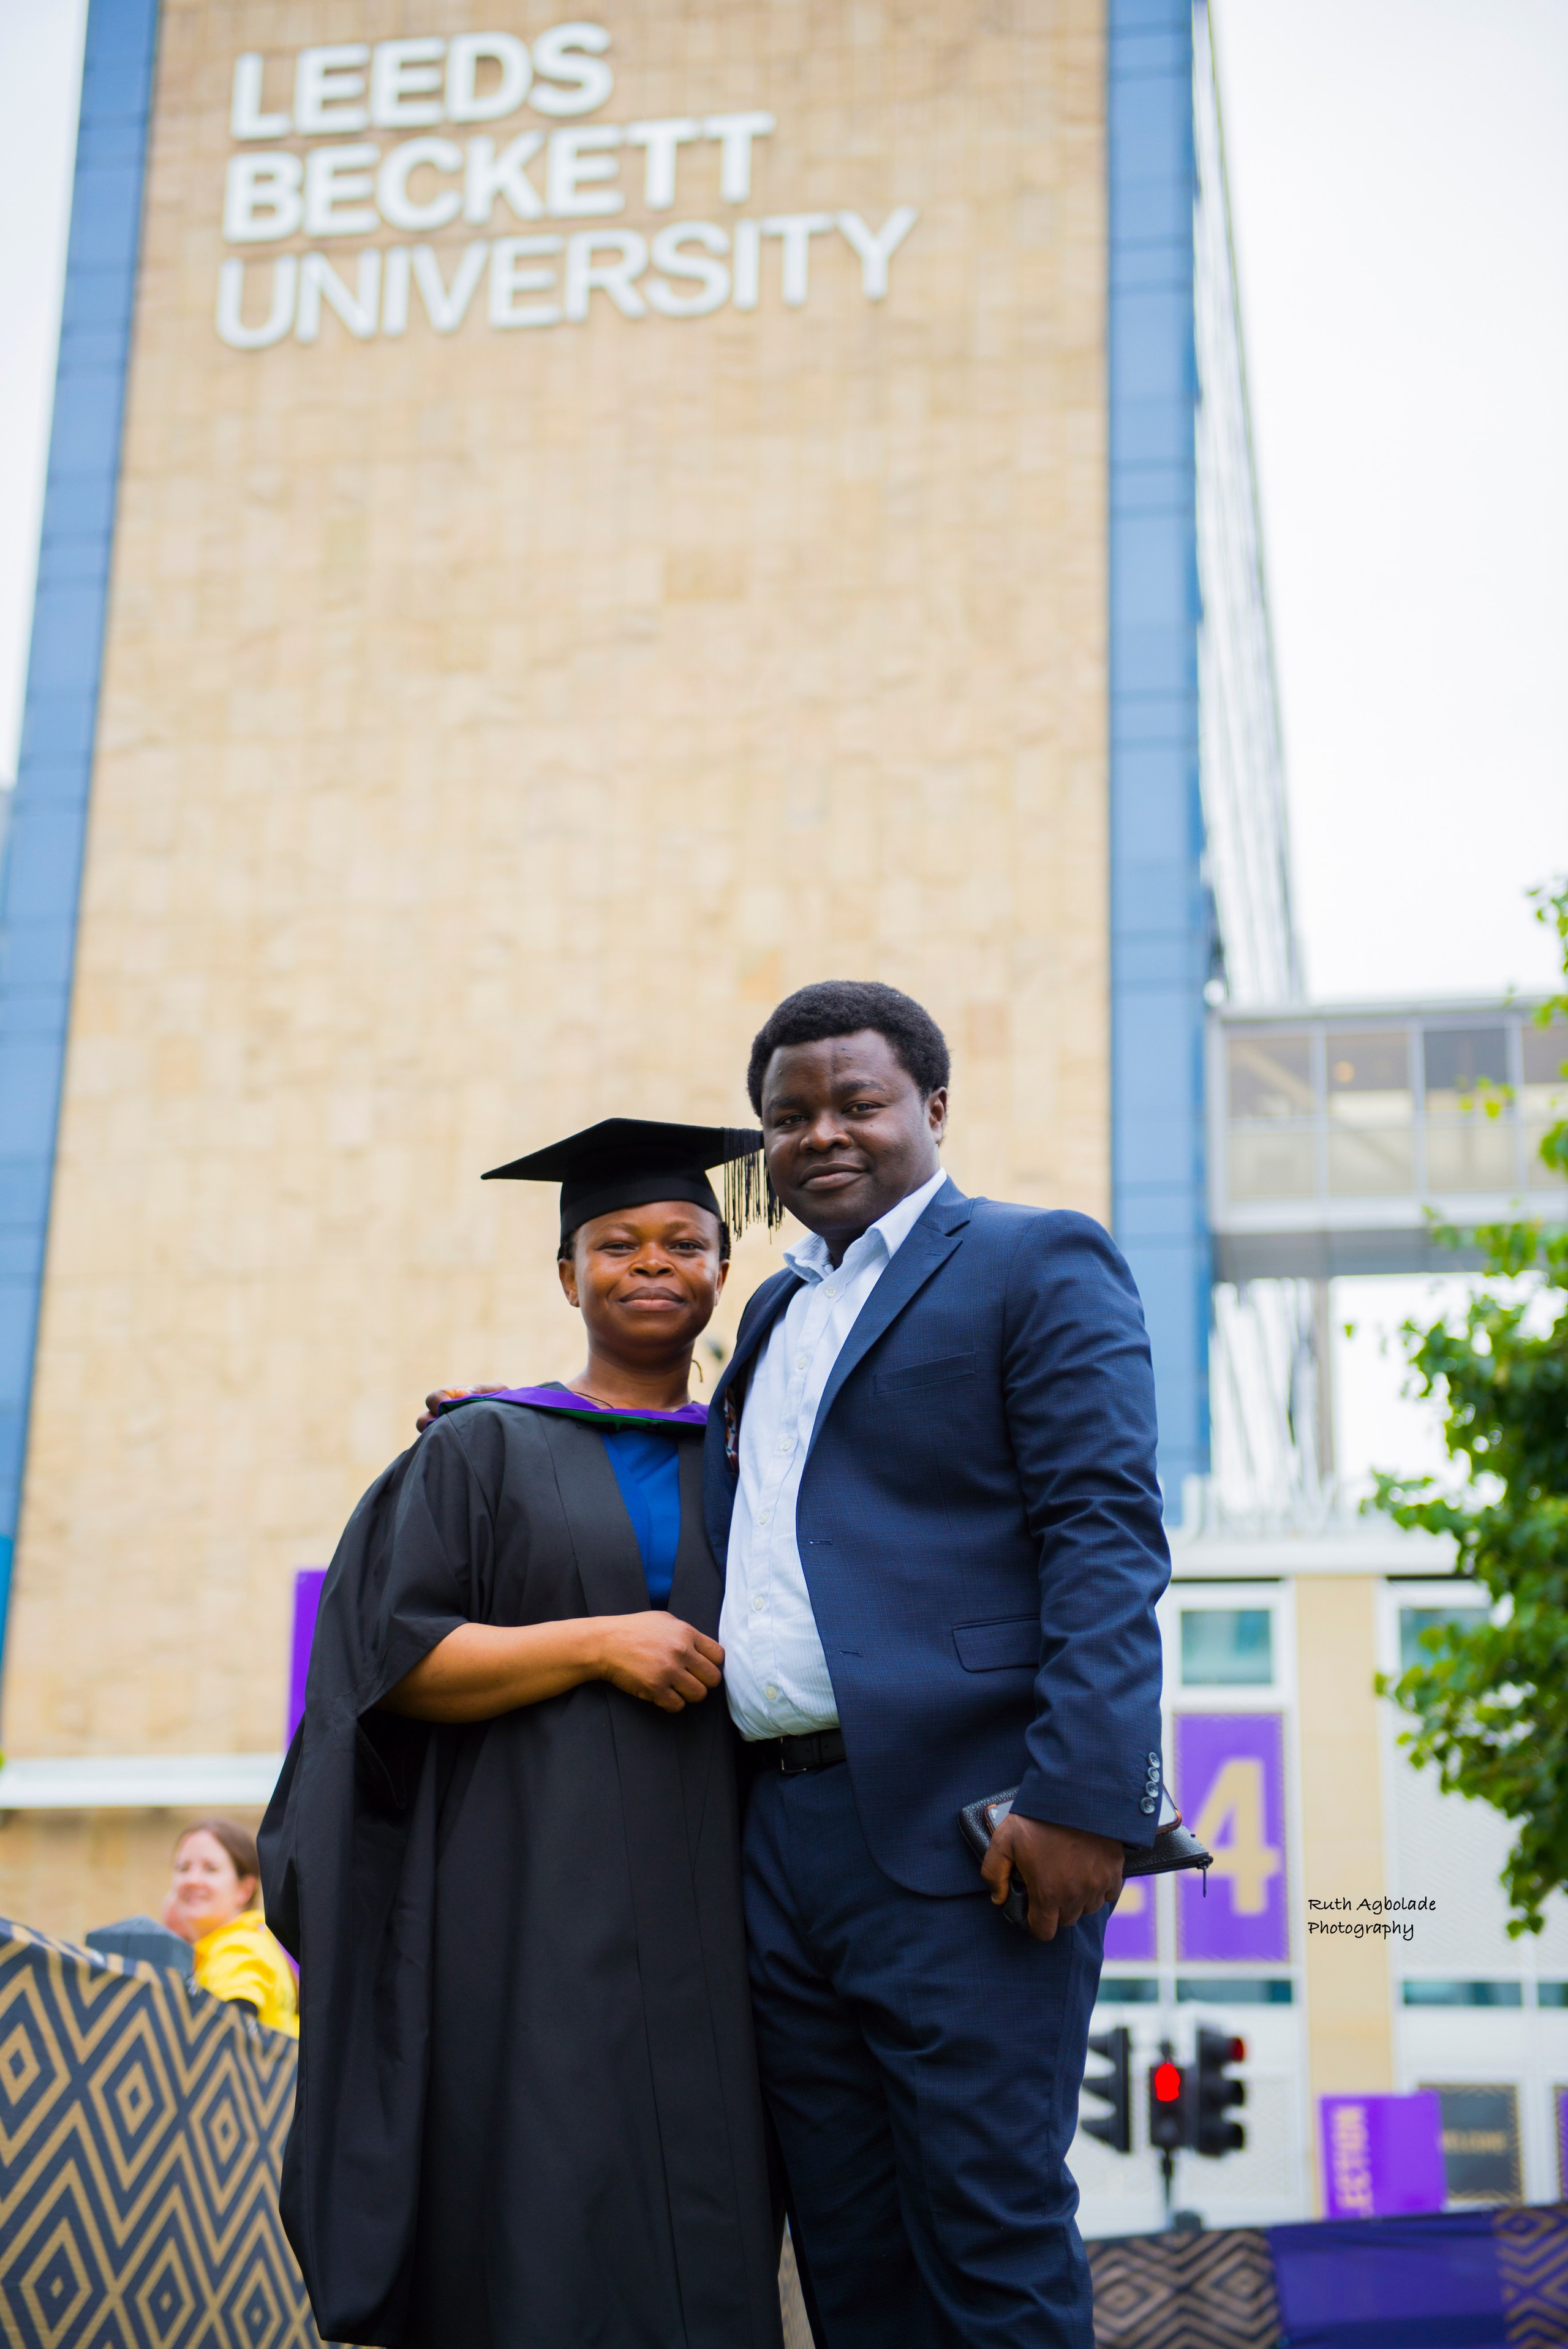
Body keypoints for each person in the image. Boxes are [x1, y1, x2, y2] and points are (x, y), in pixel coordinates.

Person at [259, 1121, 785, 2349]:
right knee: (532, 2201)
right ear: (567, 1274)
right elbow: (387, 1666)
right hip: (522, 1892)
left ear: (720, 1270)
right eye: (615, 1243)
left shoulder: (758, 1461)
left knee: (707, 2211)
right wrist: (599, 1643)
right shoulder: (482, 1444)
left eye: (681, 1243)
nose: (649, 1264)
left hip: (715, 1892)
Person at [710, 981, 1169, 2349]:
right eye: (788, 1118)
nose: (821, 1135)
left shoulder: (1033, 1260)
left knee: (986, 2230)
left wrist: (1086, 1797)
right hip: (777, 1835)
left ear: (932, 1108)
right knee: (848, 2256)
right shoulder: (772, 1318)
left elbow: (1103, 1531)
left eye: (855, 1102)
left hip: (967, 1826)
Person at [162, 1817, 299, 2035]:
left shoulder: (240, 1948)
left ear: (245, 1889)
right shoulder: (256, 1941)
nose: (192, 1880)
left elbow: (227, 2038)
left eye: (211, 1869)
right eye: (183, 1868)